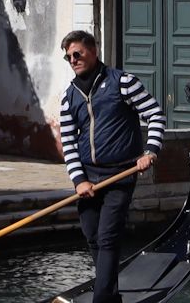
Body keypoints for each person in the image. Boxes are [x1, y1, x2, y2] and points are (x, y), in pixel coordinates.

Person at [57, 29, 165, 303]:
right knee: (92, 236)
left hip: (120, 174)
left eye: (77, 53)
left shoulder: (123, 83)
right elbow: (68, 142)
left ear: (93, 51)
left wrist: (150, 151)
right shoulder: (69, 97)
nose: (73, 59)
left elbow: (155, 114)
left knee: (107, 237)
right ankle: (112, 295)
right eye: (69, 56)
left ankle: (102, 299)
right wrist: (79, 180)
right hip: (88, 178)